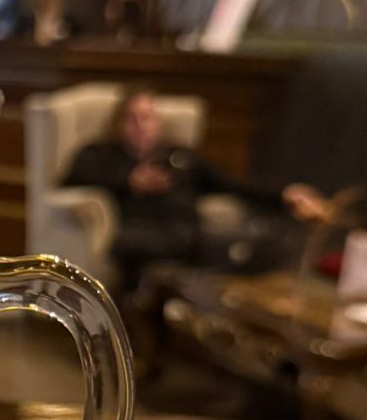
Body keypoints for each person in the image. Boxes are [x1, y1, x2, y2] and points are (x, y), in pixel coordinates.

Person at [63, 88, 328, 294]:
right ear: (119, 124)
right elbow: (72, 182)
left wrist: (285, 193)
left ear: (158, 123)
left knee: (267, 241)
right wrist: (130, 181)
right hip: (139, 237)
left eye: (147, 118)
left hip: (188, 236)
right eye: (132, 118)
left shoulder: (180, 158)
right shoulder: (102, 155)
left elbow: (231, 184)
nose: (141, 125)